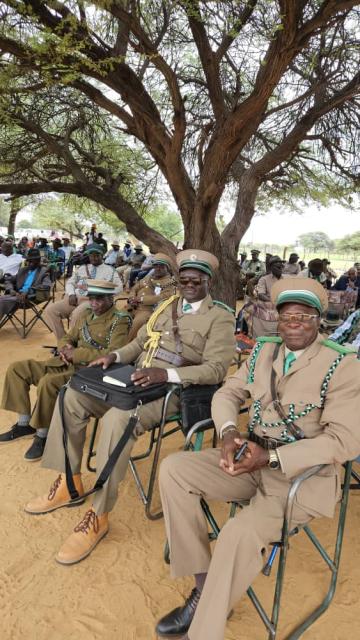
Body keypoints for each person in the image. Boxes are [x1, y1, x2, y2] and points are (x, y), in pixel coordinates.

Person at [156, 277, 360, 640]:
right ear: (277, 321)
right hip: (249, 456)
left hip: (300, 479)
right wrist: (229, 432)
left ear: (319, 320)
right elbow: (228, 393)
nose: (294, 324)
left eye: (304, 316)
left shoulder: (342, 365)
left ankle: (202, 632)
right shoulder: (264, 351)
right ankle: (206, 589)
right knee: (175, 469)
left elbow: (343, 441)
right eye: (287, 317)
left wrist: (272, 457)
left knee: (238, 532)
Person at [25, 249, 235, 565]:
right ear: (178, 279)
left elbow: (217, 369)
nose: (190, 283)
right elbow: (141, 343)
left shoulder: (220, 316)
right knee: (71, 395)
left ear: (208, 280)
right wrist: (115, 357)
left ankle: (99, 513)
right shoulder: (167, 305)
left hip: (173, 389)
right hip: (135, 377)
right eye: (185, 278)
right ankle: (69, 483)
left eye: (197, 278)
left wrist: (165, 373)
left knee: (117, 420)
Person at [0, 280, 131, 460]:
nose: (94, 303)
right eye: (91, 298)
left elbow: (115, 353)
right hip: (65, 362)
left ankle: (43, 435)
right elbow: (68, 336)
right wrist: (65, 346)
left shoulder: (120, 320)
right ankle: (24, 424)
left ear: (111, 298)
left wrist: (75, 353)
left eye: (99, 299)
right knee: (18, 368)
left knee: (48, 383)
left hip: (90, 372)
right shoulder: (86, 313)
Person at [43, 244, 122, 340]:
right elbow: (70, 283)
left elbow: (119, 287)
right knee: (50, 311)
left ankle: (73, 343)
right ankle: (63, 342)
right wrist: (71, 294)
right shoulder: (82, 268)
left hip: (92, 301)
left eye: (97, 255)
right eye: (91, 255)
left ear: (102, 256)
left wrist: (101, 293)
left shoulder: (110, 270)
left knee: (77, 314)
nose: (94, 257)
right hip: (75, 298)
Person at [126, 253, 177, 342]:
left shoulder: (170, 283)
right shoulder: (149, 277)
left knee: (136, 324)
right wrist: (131, 298)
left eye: (161, 266)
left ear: (167, 268)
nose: (158, 268)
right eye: (155, 266)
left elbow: (161, 297)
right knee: (120, 318)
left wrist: (140, 299)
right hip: (132, 306)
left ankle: (126, 345)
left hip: (148, 310)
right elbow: (135, 288)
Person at [0, 248, 51, 320]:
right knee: (2, 300)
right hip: (17, 296)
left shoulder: (43, 272)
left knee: (1, 301)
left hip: (31, 298)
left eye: (31, 260)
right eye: (28, 260)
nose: (29, 262)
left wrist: (28, 291)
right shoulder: (23, 270)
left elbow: (46, 286)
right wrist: (11, 289)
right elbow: (9, 280)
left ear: (38, 261)